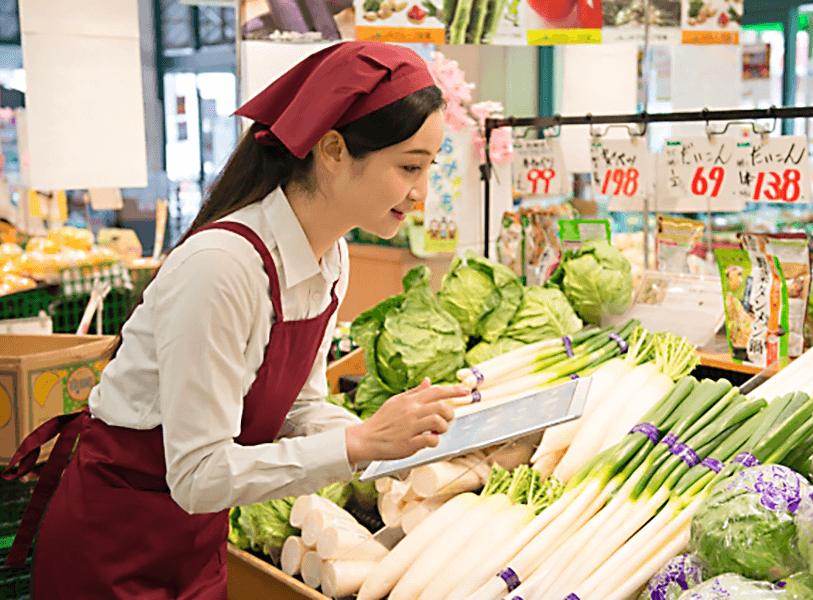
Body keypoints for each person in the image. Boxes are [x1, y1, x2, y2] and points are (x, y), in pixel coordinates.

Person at [2, 41, 467, 599]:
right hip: (114, 543)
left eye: (428, 168)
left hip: (196, 540)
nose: (421, 193)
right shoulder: (223, 267)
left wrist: (401, 443)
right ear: (334, 149)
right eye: (409, 167)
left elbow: (298, 406)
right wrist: (360, 442)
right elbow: (198, 474)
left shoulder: (331, 256)